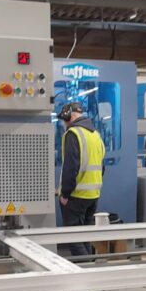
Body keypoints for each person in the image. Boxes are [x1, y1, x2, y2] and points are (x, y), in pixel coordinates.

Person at [57, 101, 106, 256]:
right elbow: (102, 166)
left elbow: (71, 167)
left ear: (69, 116)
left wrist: (65, 194)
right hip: (93, 195)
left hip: (76, 195)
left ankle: (86, 268)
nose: (63, 124)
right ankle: (90, 265)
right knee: (85, 237)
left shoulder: (73, 134)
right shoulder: (95, 135)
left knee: (74, 238)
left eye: (64, 120)